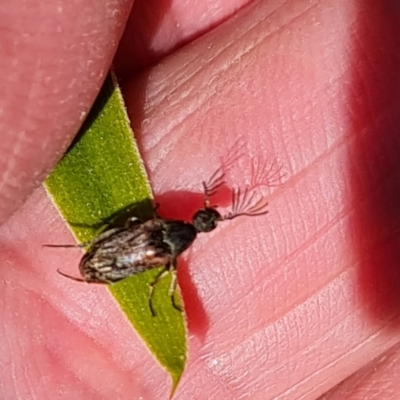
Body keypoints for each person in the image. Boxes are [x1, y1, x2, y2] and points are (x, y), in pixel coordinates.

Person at [1, 0, 400, 398]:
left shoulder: (169, 229)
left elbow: (136, 231)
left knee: (128, 236)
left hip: (112, 255)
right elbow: (145, 245)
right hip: (114, 260)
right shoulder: (172, 243)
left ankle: (85, 242)